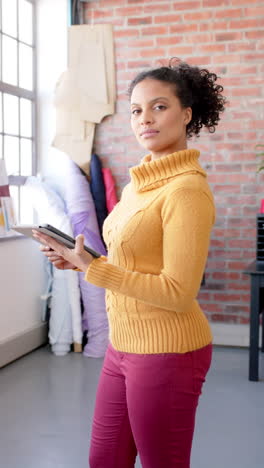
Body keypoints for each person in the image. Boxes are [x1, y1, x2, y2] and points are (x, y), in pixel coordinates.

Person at [33, 58, 226, 468]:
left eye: (159, 106)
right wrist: (77, 260)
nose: (145, 119)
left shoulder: (186, 191)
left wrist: (93, 268)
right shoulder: (138, 183)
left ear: (186, 114)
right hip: (123, 344)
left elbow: (177, 292)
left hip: (168, 350)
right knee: (105, 460)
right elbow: (129, 262)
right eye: (137, 110)